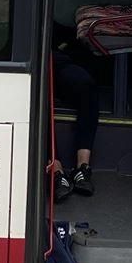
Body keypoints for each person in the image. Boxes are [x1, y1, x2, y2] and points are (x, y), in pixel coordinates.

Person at [50, 43, 99, 203]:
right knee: (37, 95)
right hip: (31, 62)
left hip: (56, 59)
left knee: (87, 86)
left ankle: (82, 167)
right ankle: (55, 170)